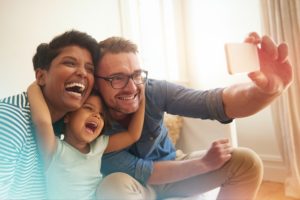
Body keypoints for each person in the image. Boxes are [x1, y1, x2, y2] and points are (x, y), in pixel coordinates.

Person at [94, 32, 293, 200]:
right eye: (117, 78)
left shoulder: (153, 90)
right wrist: (203, 163)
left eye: (137, 75)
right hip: (134, 185)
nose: (132, 87)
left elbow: (214, 102)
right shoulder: (88, 121)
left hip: (174, 167)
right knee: (112, 186)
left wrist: (264, 92)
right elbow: (146, 172)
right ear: (96, 82)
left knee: (247, 162)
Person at [0, 30, 99, 199]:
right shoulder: (10, 118)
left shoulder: (70, 127)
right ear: (41, 76)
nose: (83, 73)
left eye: (89, 69)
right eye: (70, 63)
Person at [27, 82, 145, 200]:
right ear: (67, 117)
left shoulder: (98, 146)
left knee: (116, 183)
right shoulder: (54, 148)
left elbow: (132, 135)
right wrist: (37, 84)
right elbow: (42, 122)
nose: (97, 116)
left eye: (101, 114)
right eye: (88, 108)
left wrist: (142, 95)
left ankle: (148, 193)